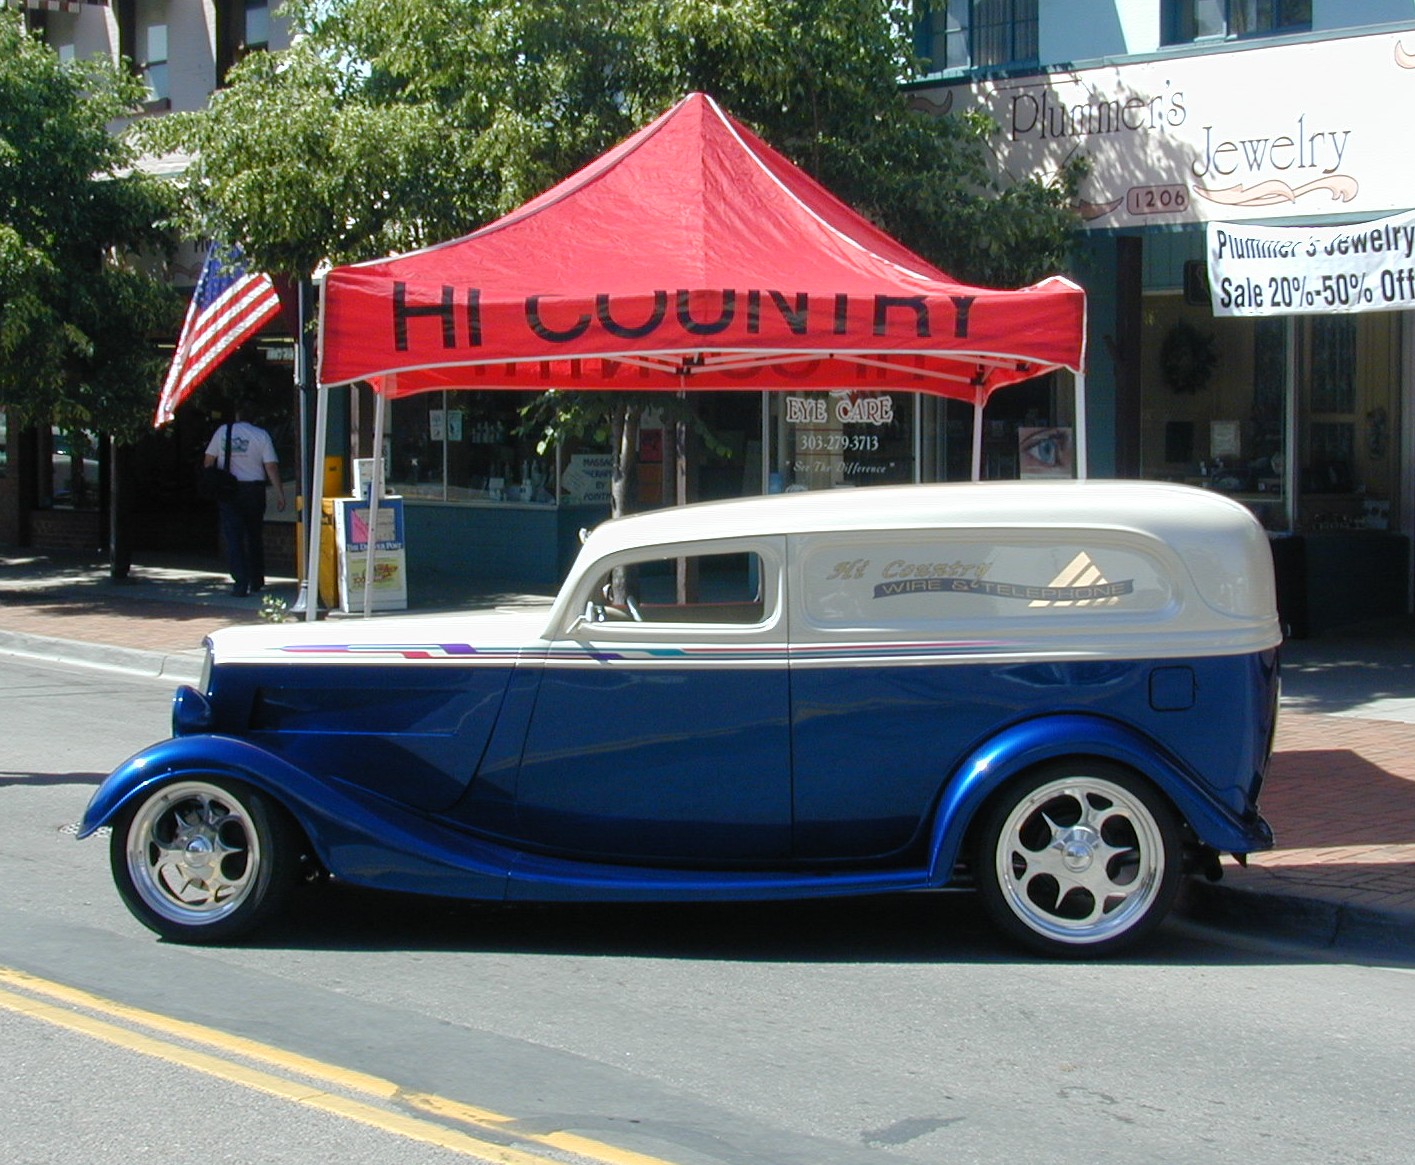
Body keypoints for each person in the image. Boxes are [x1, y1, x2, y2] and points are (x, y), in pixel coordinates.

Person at [204, 402, 285, 596]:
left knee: (234, 537)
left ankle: (240, 582)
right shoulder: (261, 435)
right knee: (254, 535)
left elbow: (208, 461)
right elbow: (271, 466)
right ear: (254, 417)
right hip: (254, 490)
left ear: (238, 416)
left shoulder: (223, 431)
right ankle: (256, 579)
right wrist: (280, 493)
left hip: (229, 489)